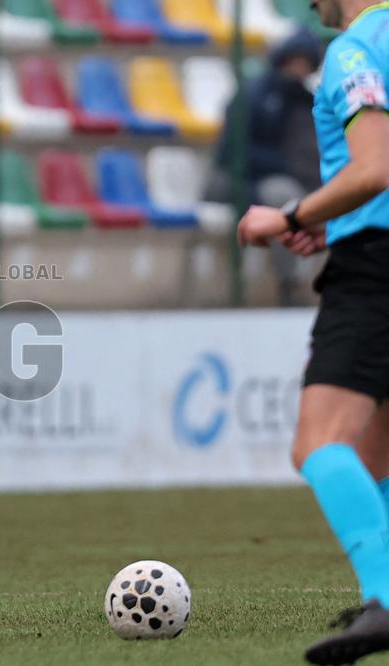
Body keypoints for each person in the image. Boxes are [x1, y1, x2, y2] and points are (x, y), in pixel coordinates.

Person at [237, 1, 389, 662]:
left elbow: (375, 167)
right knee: (379, 451)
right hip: (370, 239)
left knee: (319, 444)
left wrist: (291, 213)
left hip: (376, 270)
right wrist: (339, 217)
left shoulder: (354, 51)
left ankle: (387, 599)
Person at [214, 28, 323, 305]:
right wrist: (284, 164)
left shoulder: (305, 100)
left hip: (292, 177)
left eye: (305, 64)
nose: (298, 69)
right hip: (235, 178)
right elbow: (230, 152)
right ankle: (290, 283)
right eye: (294, 61)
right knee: (285, 198)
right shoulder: (253, 93)